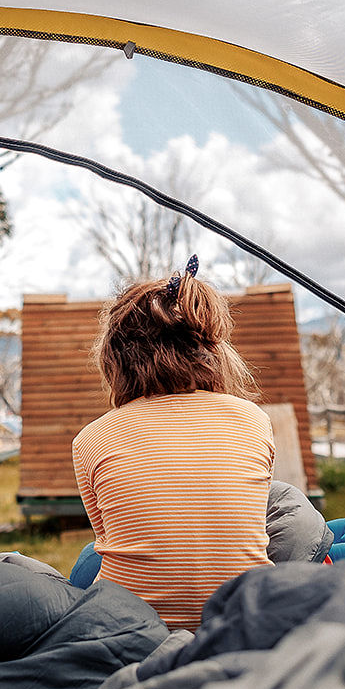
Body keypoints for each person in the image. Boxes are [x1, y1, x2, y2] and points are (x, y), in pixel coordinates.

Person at [71, 255, 276, 631]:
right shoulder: (253, 419)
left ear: (115, 361)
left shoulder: (91, 439)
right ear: (211, 351)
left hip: (132, 629)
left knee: (90, 555)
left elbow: (108, 536)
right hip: (245, 617)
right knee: (286, 507)